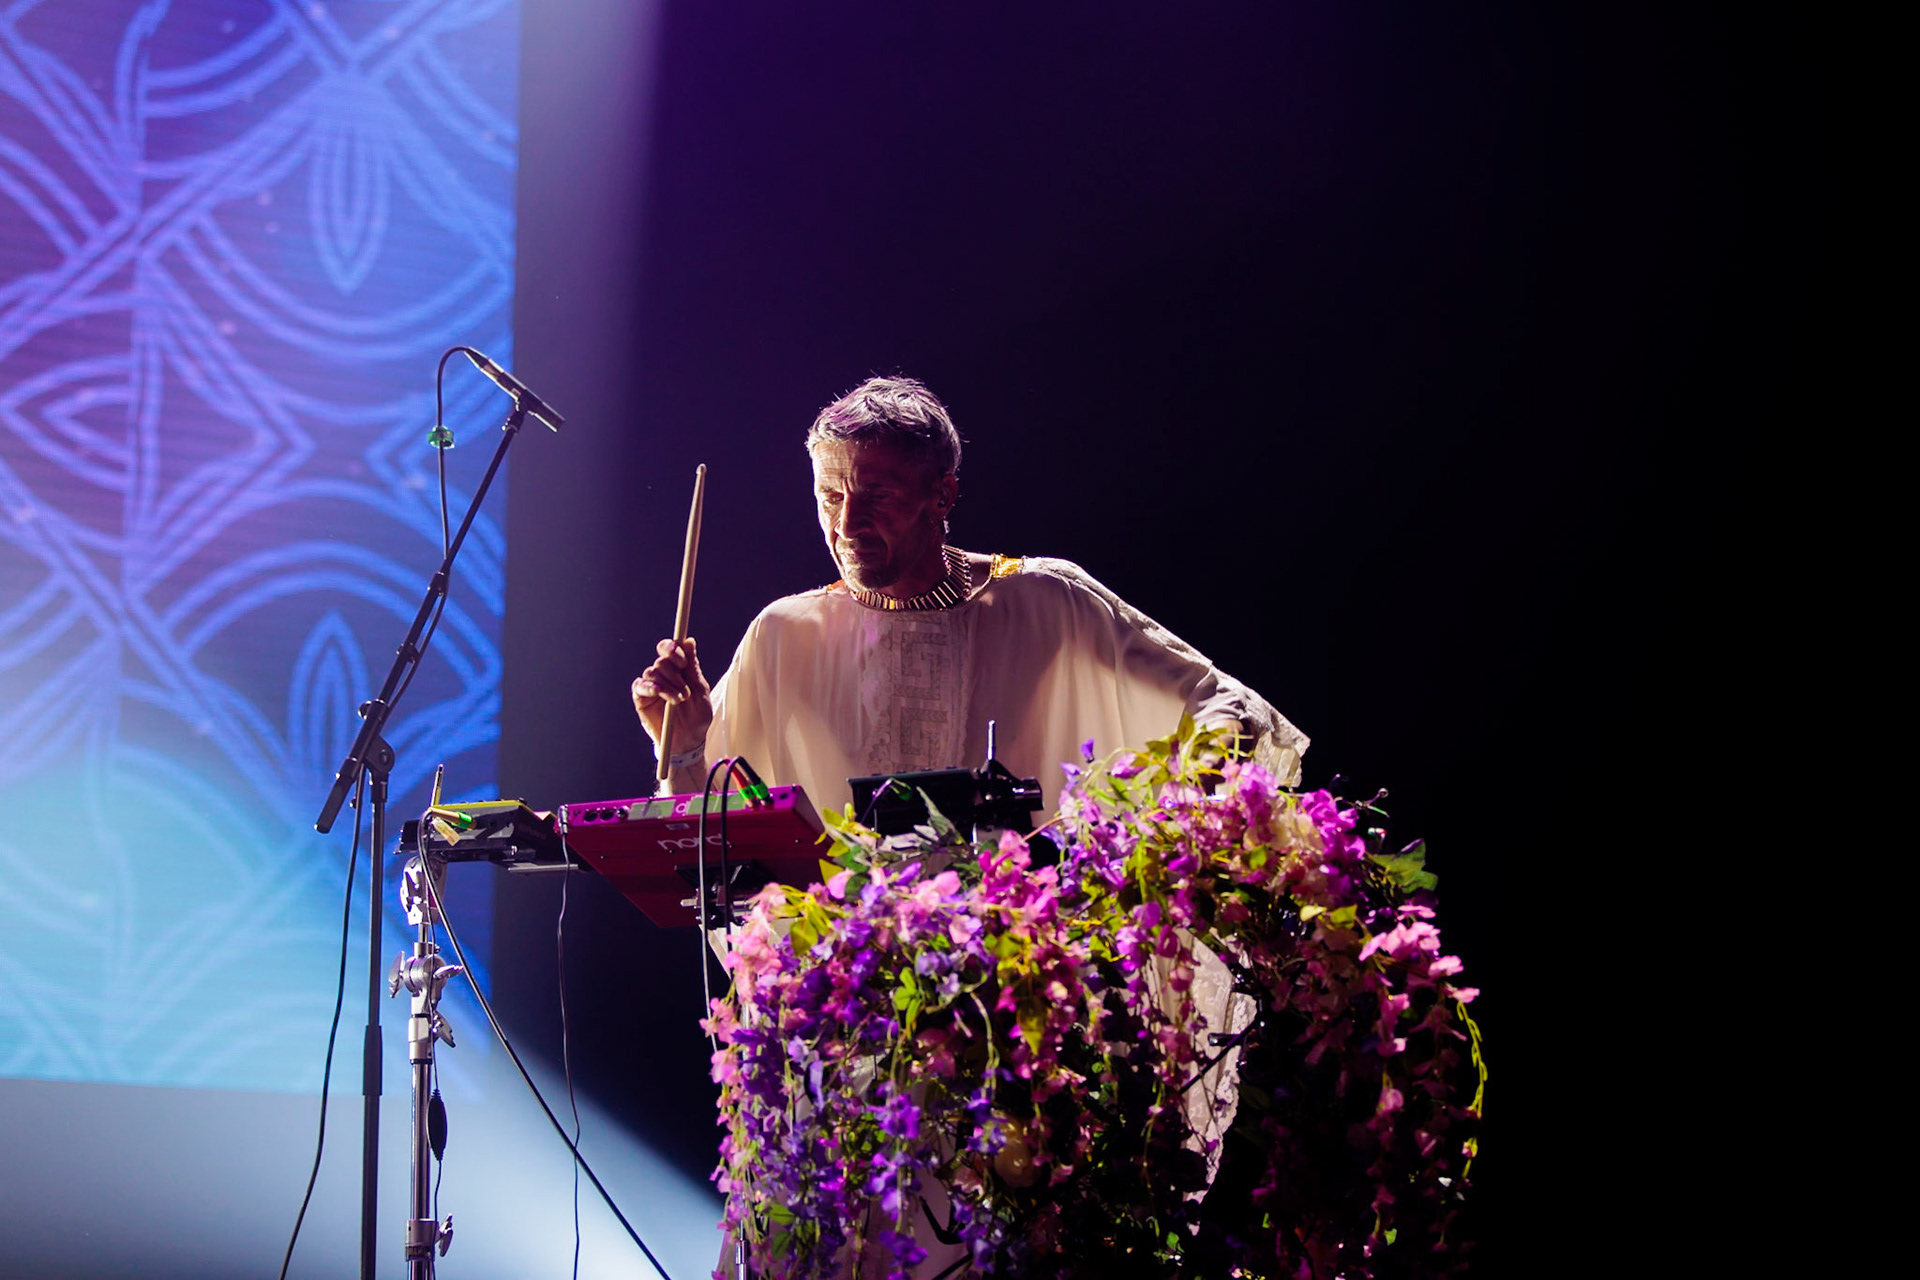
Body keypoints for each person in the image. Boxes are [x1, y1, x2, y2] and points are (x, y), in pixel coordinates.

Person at [632, 375, 1307, 815]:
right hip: (850, 994)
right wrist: (687, 745)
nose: (845, 524)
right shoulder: (784, 633)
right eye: (830, 497)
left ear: (942, 496)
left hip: (1025, 978)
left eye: (878, 496)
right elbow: (708, 844)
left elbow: (1229, 705)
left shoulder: (1044, 599)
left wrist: (1155, 806)